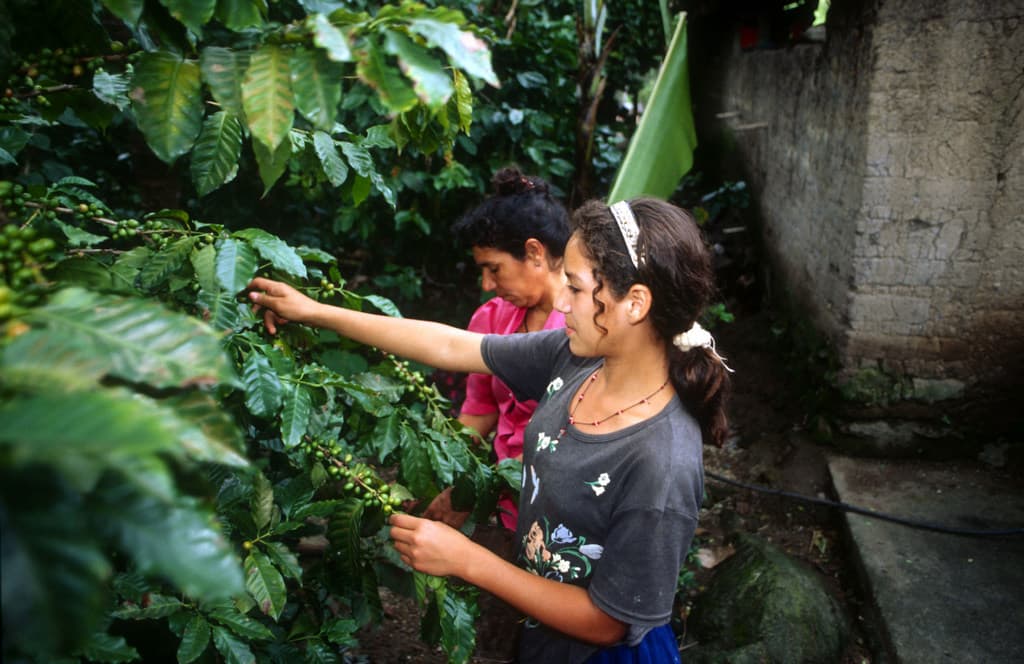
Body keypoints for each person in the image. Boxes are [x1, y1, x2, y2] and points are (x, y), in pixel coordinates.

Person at [247, 196, 731, 663]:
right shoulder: (579, 360)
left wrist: (468, 560)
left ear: (635, 304)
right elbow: (454, 346)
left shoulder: (661, 463)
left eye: (577, 288)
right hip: (543, 637)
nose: (560, 302)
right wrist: (315, 312)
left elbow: (609, 623)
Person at [428, 166, 570, 532]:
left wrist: (477, 492)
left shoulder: (585, 326)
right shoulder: (492, 318)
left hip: (566, 504)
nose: (487, 283)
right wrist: (445, 475)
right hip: (508, 501)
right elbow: (480, 409)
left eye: (494, 269)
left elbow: (566, 439)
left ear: (534, 252)